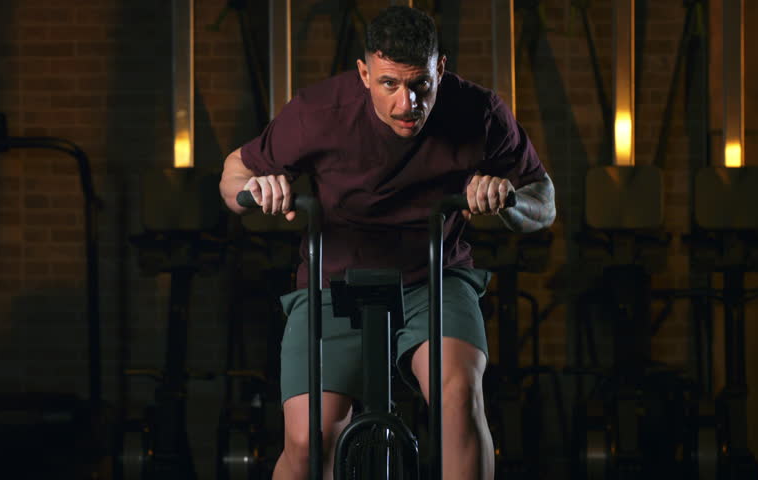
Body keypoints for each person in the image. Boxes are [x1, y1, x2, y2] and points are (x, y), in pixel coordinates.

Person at [220, 6, 555, 479]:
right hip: (332, 281)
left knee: (457, 397)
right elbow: (232, 174)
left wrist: (506, 201)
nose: (406, 104)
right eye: (389, 84)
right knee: (308, 438)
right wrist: (257, 188)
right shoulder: (318, 112)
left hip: (435, 277)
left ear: (441, 68)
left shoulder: (479, 112)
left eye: (420, 84)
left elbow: (545, 202)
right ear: (364, 74)